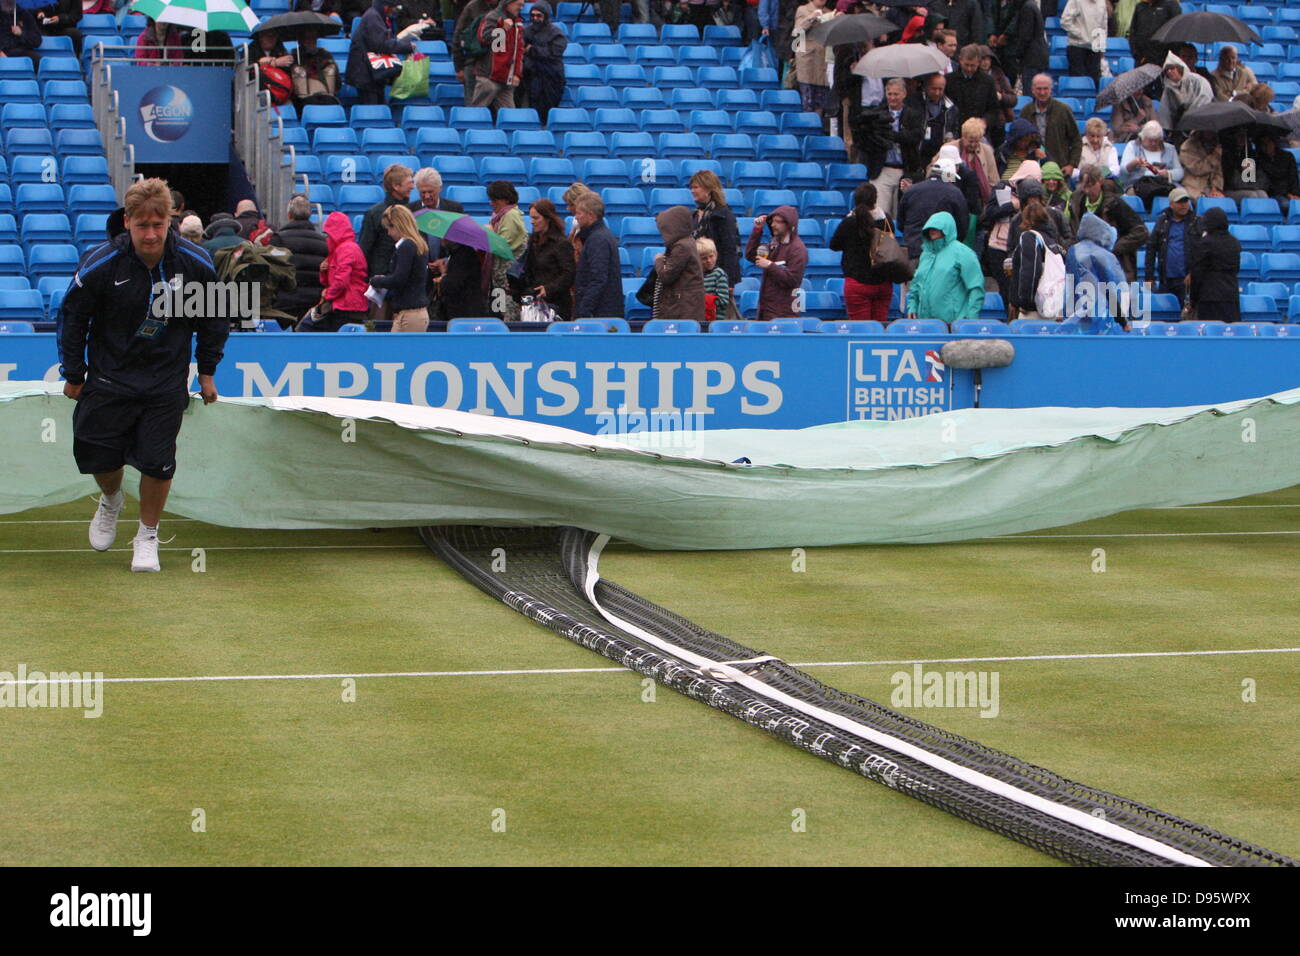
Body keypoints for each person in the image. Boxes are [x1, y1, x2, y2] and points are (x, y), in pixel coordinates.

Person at [57, 178, 227, 572]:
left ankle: (147, 537)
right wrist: (73, 371)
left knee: (157, 460)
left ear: (171, 220)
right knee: (95, 452)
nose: (151, 234)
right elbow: (72, 318)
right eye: (142, 226)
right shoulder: (101, 263)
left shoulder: (196, 262)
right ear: (127, 222)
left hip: (166, 380)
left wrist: (207, 371)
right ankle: (111, 499)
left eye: (158, 224)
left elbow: (216, 318)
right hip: (109, 377)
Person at [829, 181, 897, 325]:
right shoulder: (887, 221)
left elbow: (834, 245)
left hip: (857, 283)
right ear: (875, 199)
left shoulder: (849, 222)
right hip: (883, 283)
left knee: (860, 330)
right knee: (880, 329)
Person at [1068, 163, 1149, 280]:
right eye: (1084, 186)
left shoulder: (1115, 204)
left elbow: (1141, 232)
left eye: (1091, 186)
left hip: (1116, 268)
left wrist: (1114, 248)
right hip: (1086, 269)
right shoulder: (1076, 204)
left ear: (1100, 181)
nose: (1087, 191)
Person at [906, 211, 984, 322]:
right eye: (930, 228)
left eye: (937, 227)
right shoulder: (925, 254)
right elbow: (916, 284)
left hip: (953, 324)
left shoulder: (963, 253)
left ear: (947, 229)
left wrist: (970, 320)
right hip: (924, 323)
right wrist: (912, 307)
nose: (932, 230)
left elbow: (976, 287)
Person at [1062, 212, 1130, 333]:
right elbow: (1109, 289)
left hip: (1075, 315)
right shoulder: (1103, 256)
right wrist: (1122, 320)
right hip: (1099, 316)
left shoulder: (1073, 251)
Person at [371, 205, 431, 331]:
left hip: (409, 314)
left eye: (390, 228)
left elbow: (399, 279)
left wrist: (376, 281)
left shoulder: (407, 246)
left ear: (399, 225)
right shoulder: (417, 244)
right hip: (411, 313)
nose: (389, 233)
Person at [744, 205, 809, 321]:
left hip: (785, 314)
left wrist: (769, 265)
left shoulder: (798, 249)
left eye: (778, 222)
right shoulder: (774, 244)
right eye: (772, 221)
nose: (773, 225)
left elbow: (793, 280)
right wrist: (757, 230)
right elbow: (751, 255)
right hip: (767, 310)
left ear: (789, 224)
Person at [308, 211, 369, 332]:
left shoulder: (345, 249)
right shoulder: (340, 249)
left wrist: (328, 295)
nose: (327, 238)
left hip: (347, 307)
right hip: (348, 305)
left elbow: (341, 281)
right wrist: (323, 271)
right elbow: (328, 281)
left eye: (329, 234)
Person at [346, 0, 415, 106]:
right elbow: (381, 44)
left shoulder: (376, 16)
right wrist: (406, 47)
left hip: (371, 74)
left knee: (379, 107)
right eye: (393, 8)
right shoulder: (373, 18)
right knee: (372, 111)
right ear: (386, 7)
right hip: (366, 74)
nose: (394, 11)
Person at [898, 158, 968, 261]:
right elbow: (962, 226)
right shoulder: (955, 193)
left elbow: (901, 222)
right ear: (948, 175)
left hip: (914, 249)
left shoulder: (911, 191)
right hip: (942, 251)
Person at [275, 195, 328, 326]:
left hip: (285, 302)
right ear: (310, 215)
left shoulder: (278, 239)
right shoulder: (323, 242)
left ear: (289, 215)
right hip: (313, 302)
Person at [519, 198, 574, 321]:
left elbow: (569, 274)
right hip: (534, 302)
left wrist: (548, 288)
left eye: (536, 218)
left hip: (556, 304)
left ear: (548, 218)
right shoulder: (532, 241)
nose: (532, 222)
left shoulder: (561, 243)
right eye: (531, 218)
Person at [1006, 201, 1063, 321]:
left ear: (1028, 220)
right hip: (1052, 305)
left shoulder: (1030, 237)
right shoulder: (1052, 241)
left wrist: (1025, 302)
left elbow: (1030, 273)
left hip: (1033, 310)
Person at [359, 164, 415, 281]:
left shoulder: (412, 211)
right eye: (409, 183)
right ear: (396, 186)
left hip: (406, 277)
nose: (413, 187)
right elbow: (365, 250)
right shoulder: (374, 213)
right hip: (382, 278)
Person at [650, 206, 706, 323]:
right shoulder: (688, 242)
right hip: (688, 305)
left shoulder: (681, 247)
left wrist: (659, 261)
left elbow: (667, 276)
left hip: (682, 308)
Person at [689, 169, 741, 294]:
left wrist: (728, 283)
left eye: (696, 187)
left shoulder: (723, 215)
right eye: (691, 187)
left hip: (718, 279)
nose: (692, 191)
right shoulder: (695, 215)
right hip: (698, 276)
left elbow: (730, 250)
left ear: (708, 189)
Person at [572, 193, 624, 319]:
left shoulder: (597, 239)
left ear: (590, 215)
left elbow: (598, 278)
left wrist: (584, 310)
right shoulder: (599, 235)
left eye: (579, 213)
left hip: (599, 313)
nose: (576, 217)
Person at [1020, 74, 1082, 180]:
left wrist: (1072, 164)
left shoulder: (1063, 110)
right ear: (1033, 90)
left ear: (1051, 90)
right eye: (1039, 89)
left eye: (1045, 89)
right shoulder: (1026, 112)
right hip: (1032, 169)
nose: (1042, 92)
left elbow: (1076, 140)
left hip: (1059, 169)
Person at [1145, 186, 1197, 308]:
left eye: (1186, 201)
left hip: (1187, 281)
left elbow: (1201, 251)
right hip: (1166, 279)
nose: (1184, 205)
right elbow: (1151, 249)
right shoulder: (1162, 222)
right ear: (1171, 204)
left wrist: (1194, 273)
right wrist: (1149, 276)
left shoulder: (1196, 222)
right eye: (1180, 202)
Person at [471, 0, 525, 114]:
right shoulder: (493, 17)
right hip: (488, 75)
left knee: (510, 117)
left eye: (522, 5)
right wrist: (502, 30)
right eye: (518, 4)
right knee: (477, 114)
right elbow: (484, 39)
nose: (521, 8)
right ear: (509, 3)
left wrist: (516, 73)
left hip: (506, 78)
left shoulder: (518, 22)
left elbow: (518, 50)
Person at [1187, 206, 1240, 322]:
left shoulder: (1205, 243)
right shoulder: (1235, 242)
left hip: (1209, 297)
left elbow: (1197, 273)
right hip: (1231, 295)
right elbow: (1236, 268)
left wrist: (1193, 299)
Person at [484, 180, 527, 321]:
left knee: (507, 318)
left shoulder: (511, 216)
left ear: (505, 199)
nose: (491, 203)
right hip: (498, 281)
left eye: (494, 200)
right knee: (498, 314)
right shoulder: (499, 217)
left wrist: (487, 234)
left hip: (508, 283)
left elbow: (501, 245)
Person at [1119, 120, 1183, 210]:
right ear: (1142, 137)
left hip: (1163, 184)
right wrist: (1134, 163)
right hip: (1138, 184)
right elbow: (1122, 172)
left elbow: (1180, 172)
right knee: (1132, 197)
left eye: (1156, 141)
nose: (1153, 143)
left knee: (1182, 196)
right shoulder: (1132, 146)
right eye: (1150, 140)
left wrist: (1167, 173)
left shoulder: (1170, 149)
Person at [907, 73, 961, 175]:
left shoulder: (951, 108)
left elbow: (955, 130)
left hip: (942, 156)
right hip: (919, 154)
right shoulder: (914, 103)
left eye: (940, 89)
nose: (937, 93)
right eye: (934, 89)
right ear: (926, 87)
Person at [522, 0, 566, 126]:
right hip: (530, 76)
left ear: (545, 16)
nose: (535, 18)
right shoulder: (527, 32)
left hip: (551, 77)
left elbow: (553, 53)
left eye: (539, 16)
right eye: (533, 16)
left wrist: (532, 49)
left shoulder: (556, 33)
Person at [988, 0, 1047, 89]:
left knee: (1030, 91)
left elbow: (1025, 36)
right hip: (1037, 54)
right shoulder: (1030, 5)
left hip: (1031, 57)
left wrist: (1018, 54)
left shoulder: (1027, 8)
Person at [947, 45, 1000, 138]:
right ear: (960, 60)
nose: (969, 69)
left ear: (979, 63)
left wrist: (984, 121)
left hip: (978, 132)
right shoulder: (949, 80)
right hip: (955, 130)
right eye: (966, 65)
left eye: (973, 65)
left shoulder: (987, 81)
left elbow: (993, 109)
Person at [946, 117, 998, 206]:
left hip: (980, 200)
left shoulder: (987, 150)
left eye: (977, 141)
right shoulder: (949, 148)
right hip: (953, 196)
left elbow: (994, 180)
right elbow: (940, 174)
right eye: (970, 141)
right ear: (963, 137)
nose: (973, 145)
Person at [793, 0, 832, 118]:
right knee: (807, 100)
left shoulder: (829, 13)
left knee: (821, 100)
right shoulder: (802, 10)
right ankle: (807, 129)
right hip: (807, 61)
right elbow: (796, 32)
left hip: (823, 61)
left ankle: (817, 128)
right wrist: (811, 18)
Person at [1158, 51, 1212, 136]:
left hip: (1200, 122)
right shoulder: (1168, 89)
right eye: (1167, 70)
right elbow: (1166, 111)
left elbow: (1205, 98)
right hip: (1179, 127)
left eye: (1172, 68)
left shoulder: (1197, 81)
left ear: (1179, 68)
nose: (1169, 71)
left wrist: (1190, 115)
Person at [453, 0, 495, 104]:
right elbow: (458, 37)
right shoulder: (472, 7)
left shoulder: (505, 8)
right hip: (473, 64)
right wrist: (459, 67)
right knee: (472, 105)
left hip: (497, 67)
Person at [291, 27, 340, 106]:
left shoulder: (326, 56)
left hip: (326, 97)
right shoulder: (294, 57)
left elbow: (337, 83)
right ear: (300, 41)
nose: (310, 41)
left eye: (313, 38)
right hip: (302, 100)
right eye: (307, 38)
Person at [1060, 0, 1106, 82]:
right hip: (1077, 47)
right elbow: (1065, 21)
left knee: (1095, 80)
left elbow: (1103, 26)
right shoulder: (1075, 1)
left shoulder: (1102, 2)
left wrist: (1102, 46)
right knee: (1078, 81)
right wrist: (1080, 34)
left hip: (1095, 48)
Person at [1128, 0, 1181, 68]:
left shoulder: (1171, 5)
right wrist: (1137, 55)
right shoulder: (1140, 7)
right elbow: (1133, 32)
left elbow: (1177, 32)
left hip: (1164, 61)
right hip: (1143, 60)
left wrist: (1169, 56)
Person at [1178, 129, 1224, 200]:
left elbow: (1218, 172)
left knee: (1222, 201)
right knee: (1202, 202)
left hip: (1211, 188)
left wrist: (1215, 188)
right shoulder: (1187, 147)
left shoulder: (1216, 147)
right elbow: (1197, 169)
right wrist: (1213, 157)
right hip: (1193, 186)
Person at [1257, 135, 1300, 207]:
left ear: (1274, 143)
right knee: (1285, 205)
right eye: (1263, 143)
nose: (1266, 146)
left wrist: (1294, 194)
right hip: (1273, 194)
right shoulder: (1258, 159)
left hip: (1289, 193)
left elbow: (1293, 178)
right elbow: (1264, 183)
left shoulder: (1287, 156)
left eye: (1269, 142)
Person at [697, 238, 732, 323]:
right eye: (704, 258)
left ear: (716, 255)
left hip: (715, 320)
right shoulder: (697, 275)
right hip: (700, 318)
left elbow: (723, 301)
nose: (709, 261)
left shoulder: (719, 274)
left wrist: (703, 300)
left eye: (711, 256)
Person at [1077, 118, 1120, 183]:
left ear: (1103, 135)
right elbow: (1074, 171)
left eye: (1098, 136)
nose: (1095, 140)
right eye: (1092, 136)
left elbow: (1115, 170)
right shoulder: (1079, 147)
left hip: (1105, 181)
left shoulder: (1110, 148)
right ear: (1087, 134)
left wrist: (1101, 174)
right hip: (1084, 182)